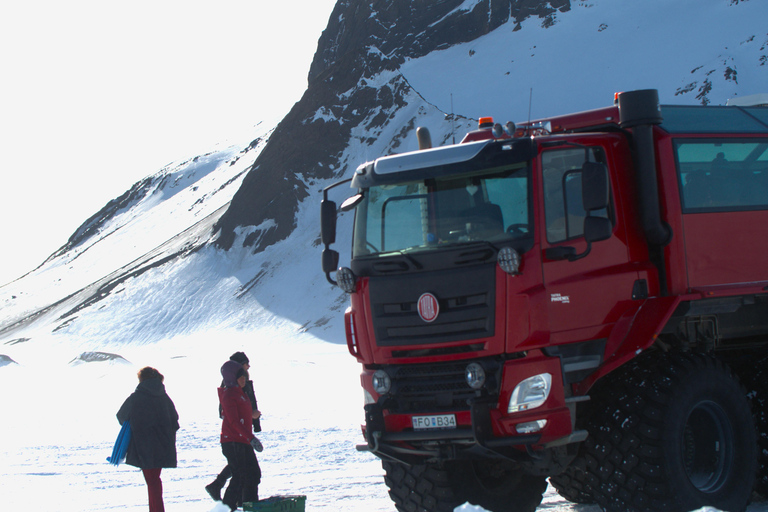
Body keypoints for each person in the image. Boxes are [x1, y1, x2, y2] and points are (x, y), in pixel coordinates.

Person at [116, 367, 179, 512]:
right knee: (154, 479)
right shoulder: (164, 397)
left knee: (152, 480)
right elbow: (175, 419)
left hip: (143, 445)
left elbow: (121, 416)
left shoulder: (136, 397)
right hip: (163, 444)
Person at [206, 352, 262, 502]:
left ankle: (248, 504)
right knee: (240, 475)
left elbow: (247, 405)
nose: (248, 367)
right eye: (245, 364)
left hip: (243, 437)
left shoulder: (239, 387)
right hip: (235, 438)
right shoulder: (230, 391)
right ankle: (228, 503)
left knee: (250, 474)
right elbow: (232, 418)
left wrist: (252, 425)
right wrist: (251, 435)